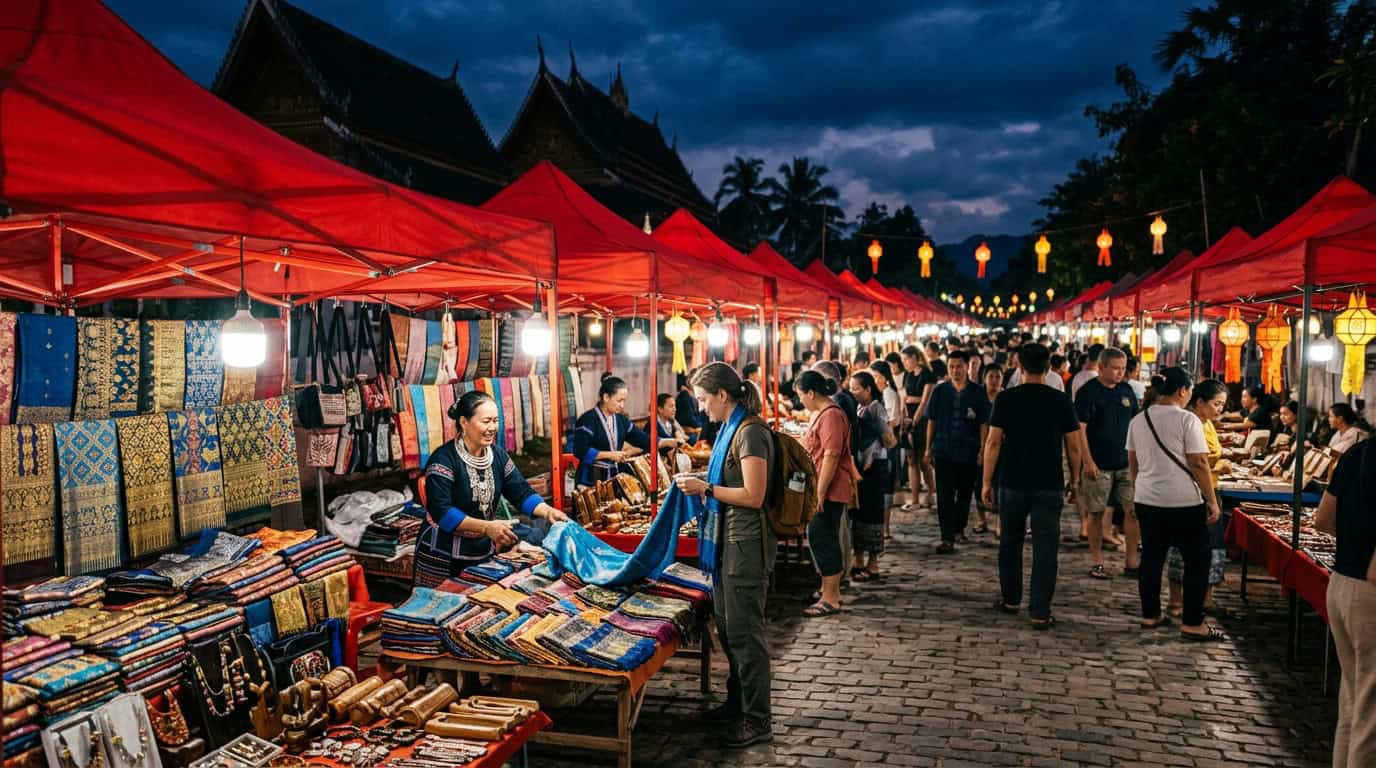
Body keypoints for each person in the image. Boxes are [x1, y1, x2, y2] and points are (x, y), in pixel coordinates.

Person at [675, 362, 776, 748]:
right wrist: (702, 483)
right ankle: (738, 705)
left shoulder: (749, 432)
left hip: (745, 547)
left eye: (704, 400)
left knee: (746, 634)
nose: (701, 408)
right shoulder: (728, 431)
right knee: (730, 630)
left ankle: (758, 718)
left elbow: (754, 495)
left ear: (722, 395)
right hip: (725, 544)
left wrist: (706, 489)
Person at [415, 391, 570, 588]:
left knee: (480, 600)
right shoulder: (443, 459)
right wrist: (487, 527)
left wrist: (547, 511)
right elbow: (442, 512)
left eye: (495, 421)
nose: (492, 428)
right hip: (441, 553)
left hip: (480, 549)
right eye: (486, 421)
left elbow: (520, 491)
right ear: (464, 422)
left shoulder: (497, 456)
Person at [983, 343, 1082, 629]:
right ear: (1048, 368)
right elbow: (1074, 445)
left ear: (1019, 367)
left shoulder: (1006, 399)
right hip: (1048, 482)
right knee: (1046, 549)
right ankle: (1040, 611)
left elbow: (993, 442)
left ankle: (1011, 599)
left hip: (1013, 480)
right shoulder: (1060, 400)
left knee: (1010, 543)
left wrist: (987, 481)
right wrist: (1075, 478)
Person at [1127, 367, 1224, 641]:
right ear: (1182, 390)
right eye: (1190, 390)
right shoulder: (1186, 419)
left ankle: (1150, 614)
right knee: (1197, 560)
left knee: (1152, 557)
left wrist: (1137, 491)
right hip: (1183, 501)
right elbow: (1198, 462)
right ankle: (1193, 623)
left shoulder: (1139, 419)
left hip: (1147, 499)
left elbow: (1133, 461)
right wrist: (1211, 500)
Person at [1314, 437, 1376, 768]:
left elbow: (1323, 520)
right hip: (1369, 592)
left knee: (1353, 705)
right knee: (1370, 718)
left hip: (1341, 581)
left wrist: (1357, 538)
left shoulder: (1357, 451)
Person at [1074, 347, 1139, 579]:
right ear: (1101, 367)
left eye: (1123, 368)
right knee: (1096, 512)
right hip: (1098, 464)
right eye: (1115, 368)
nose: (1120, 373)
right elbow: (1080, 430)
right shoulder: (1087, 392)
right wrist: (1087, 461)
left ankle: (1131, 561)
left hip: (1125, 463)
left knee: (1133, 511)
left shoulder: (1126, 390)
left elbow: (1136, 424)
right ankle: (1097, 561)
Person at [1166, 379, 1227, 618]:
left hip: (1211, 488)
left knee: (1212, 545)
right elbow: (1197, 461)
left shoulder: (1207, 423)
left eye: (1222, 405)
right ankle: (1176, 600)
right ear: (1199, 402)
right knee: (1183, 545)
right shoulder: (1190, 423)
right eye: (1216, 404)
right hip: (1193, 492)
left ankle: (1205, 599)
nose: (1220, 409)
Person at [797, 371, 855, 617]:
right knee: (820, 535)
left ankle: (831, 598)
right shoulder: (823, 413)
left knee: (822, 537)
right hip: (822, 486)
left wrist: (819, 493)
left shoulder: (831, 415)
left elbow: (831, 455)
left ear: (811, 393)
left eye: (801, 395)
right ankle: (827, 590)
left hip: (830, 488)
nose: (801, 401)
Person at [923, 350, 990, 554]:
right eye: (951, 367)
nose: (955, 370)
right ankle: (947, 537)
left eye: (959, 366)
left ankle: (959, 527)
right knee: (944, 496)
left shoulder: (977, 392)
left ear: (967, 367)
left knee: (964, 494)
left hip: (969, 451)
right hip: (944, 449)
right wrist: (928, 448)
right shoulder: (940, 391)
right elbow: (932, 420)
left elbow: (983, 422)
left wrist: (982, 448)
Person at [572, 375, 651, 488]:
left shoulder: (621, 420)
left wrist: (665, 442)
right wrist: (611, 455)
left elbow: (642, 439)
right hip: (590, 480)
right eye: (619, 400)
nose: (622, 405)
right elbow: (580, 450)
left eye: (624, 401)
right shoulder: (587, 420)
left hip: (612, 478)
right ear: (606, 397)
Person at [850, 371, 890, 579]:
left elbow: (889, 439)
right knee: (859, 512)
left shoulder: (876, 408)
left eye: (856, 388)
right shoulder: (859, 407)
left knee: (872, 513)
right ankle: (858, 560)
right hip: (861, 466)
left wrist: (872, 455)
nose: (853, 392)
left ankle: (873, 564)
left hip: (874, 467)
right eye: (851, 388)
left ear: (868, 389)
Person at [900, 346, 938, 511]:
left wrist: (914, 421)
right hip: (908, 418)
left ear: (915, 357)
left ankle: (932, 491)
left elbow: (925, 401)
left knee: (923, 461)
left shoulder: (928, 375)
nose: (904, 363)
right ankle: (915, 499)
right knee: (911, 459)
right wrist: (905, 418)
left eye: (906, 359)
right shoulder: (907, 375)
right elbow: (904, 398)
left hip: (922, 420)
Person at [972, 362, 1005, 535]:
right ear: (984, 379)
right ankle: (981, 519)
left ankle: (1000, 522)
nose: (994, 380)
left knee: (1000, 482)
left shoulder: (1006, 398)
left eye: (998, 377)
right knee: (979, 482)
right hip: (979, 445)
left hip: (1002, 447)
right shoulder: (978, 397)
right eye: (991, 377)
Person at [871, 360, 903, 535]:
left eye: (877, 376)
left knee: (886, 486)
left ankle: (885, 527)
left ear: (885, 378)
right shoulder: (877, 394)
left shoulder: (889, 394)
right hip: (879, 444)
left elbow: (893, 420)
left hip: (887, 444)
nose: (875, 380)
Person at [655, 393, 693, 474]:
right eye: (671, 406)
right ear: (660, 409)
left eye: (674, 406)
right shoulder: (653, 425)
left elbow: (681, 437)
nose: (674, 409)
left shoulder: (670, 423)